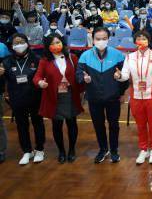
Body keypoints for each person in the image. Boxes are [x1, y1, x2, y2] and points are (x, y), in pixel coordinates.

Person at [76, 27, 126, 163]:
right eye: (98, 39)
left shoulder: (118, 55)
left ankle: (114, 150)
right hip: (94, 97)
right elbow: (79, 73)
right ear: (93, 40)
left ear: (108, 39)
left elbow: (125, 76)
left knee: (114, 125)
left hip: (113, 97)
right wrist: (84, 79)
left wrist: (121, 87)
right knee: (98, 125)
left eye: (104, 38)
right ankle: (103, 149)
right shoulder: (85, 56)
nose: (101, 41)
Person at [33, 35, 83, 163]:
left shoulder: (72, 58)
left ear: (63, 43)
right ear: (48, 46)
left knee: (72, 123)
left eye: (58, 42)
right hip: (53, 97)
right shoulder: (44, 60)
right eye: (52, 43)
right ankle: (61, 151)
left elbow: (79, 74)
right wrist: (40, 83)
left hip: (70, 95)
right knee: (57, 125)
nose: (56, 45)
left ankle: (72, 150)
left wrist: (84, 80)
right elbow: (37, 77)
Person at [119, 30, 152, 165]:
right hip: (136, 96)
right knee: (140, 125)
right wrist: (119, 76)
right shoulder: (129, 57)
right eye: (138, 39)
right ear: (135, 42)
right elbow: (125, 75)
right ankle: (143, 149)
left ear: (148, 41)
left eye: (144, 38)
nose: (141, 41)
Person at [0, 34, 45, 165]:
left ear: (27, 42)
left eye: (21, 42)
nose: (19, 45)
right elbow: (3, 81)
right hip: (17, 98)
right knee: (21, 125)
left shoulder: (36, 58)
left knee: (38, 123)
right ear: (12, 46)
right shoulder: (7, 61)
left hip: (35, 97)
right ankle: (27, 151)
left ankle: (40, 149)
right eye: (16, 43)